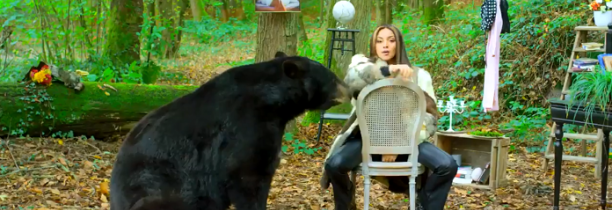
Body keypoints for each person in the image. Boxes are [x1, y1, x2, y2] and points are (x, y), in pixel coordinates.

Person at [319, 24, 458, 210]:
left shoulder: (420, 76)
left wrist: (397, 139)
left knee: (447, 165)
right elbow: (353, 80)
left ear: (398, 44)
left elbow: (430, 117)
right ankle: (347, 204)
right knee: (335, 165)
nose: (385, 45)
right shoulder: (362, 65)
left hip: (409, 138)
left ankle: (423, 204)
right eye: (380, 40)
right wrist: (389, 71)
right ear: (373, 44)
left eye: (391, 40)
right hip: (366, 136)